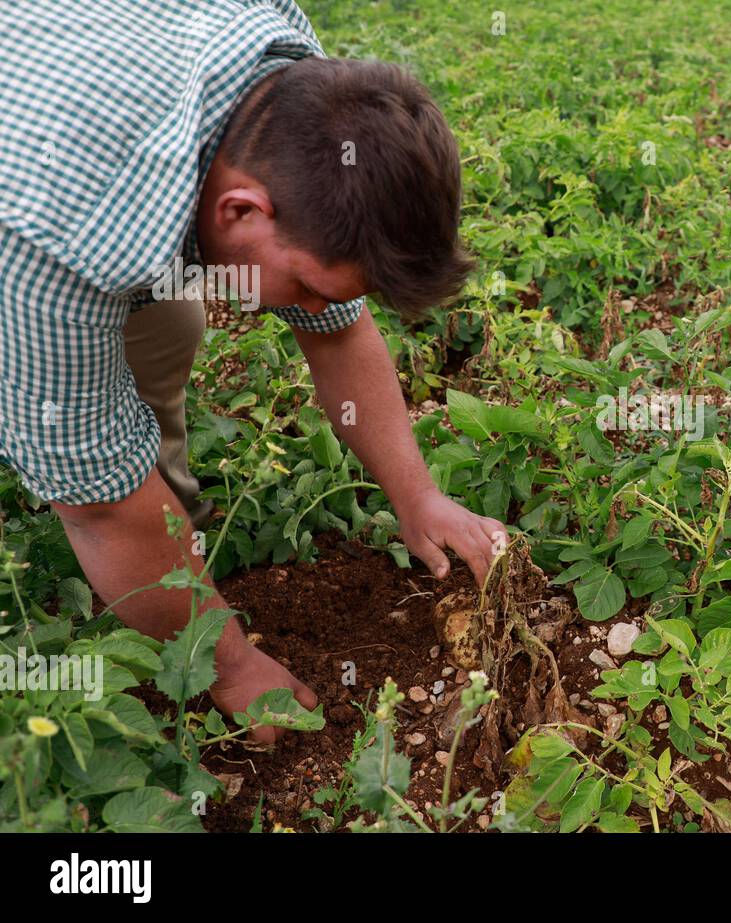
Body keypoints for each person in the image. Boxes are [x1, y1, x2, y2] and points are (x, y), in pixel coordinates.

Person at [0, 0, 506, 742]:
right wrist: (229, 664)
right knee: (96, 474)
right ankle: (158, 584)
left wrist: (418, 494)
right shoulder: (48, 233)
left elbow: (336, 330)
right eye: (307, 285)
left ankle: (168, 540)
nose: (312, 309)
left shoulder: (291, 84)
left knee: (168, 318)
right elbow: (100, 504)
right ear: (240, 210)